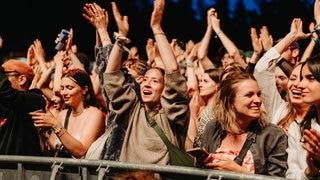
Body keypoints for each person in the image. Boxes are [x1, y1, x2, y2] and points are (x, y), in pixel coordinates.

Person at [103, 0, 189, 164]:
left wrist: (157, 28)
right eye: (145, 79)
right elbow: (112, 75)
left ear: (166, 89)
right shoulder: (133, 110)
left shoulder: (173, 115)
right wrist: (121, 37)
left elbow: (173, 71)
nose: (147, 84)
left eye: (155, 81)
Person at [198, 71, 288, 176]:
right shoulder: (213, 127)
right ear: (230, 102)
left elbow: (277, 178)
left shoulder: (274, 135)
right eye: (249, 95)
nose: (258, 100)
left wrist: (239, 173)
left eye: (258, 94)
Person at [30, 68, 106, 158]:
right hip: (61, 170)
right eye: (62, 88)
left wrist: (56, 125)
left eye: (69, 88)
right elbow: (53, 150)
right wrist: (44, 134)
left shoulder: (95, 114)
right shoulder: (63, 114)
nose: (64, 93)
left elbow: (80, 151)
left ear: (84, 89)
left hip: (83, 171)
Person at [0, 59, 46, 156]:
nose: (3, 80)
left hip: (23, 170)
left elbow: (7, 93)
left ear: (22, 79)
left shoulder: (36, 100)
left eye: (5, 76)